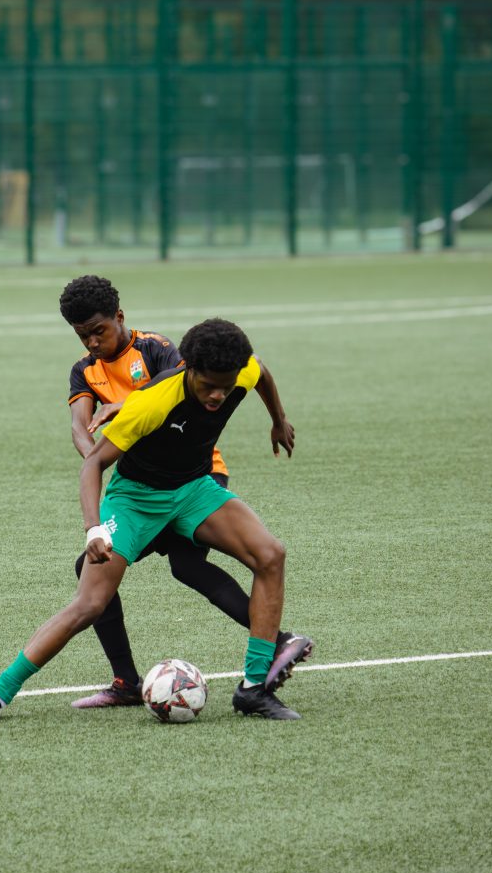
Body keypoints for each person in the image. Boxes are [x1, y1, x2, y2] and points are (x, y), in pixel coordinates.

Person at [0, 317, 312, 723]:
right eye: (208, 386)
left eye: (226, 384)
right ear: (189, 369)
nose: (218, 395)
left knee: (270, 555)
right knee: (90, 603)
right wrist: (94, 528)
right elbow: (93, 463)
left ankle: (254, 688)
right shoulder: (153, 402)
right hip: (135, 500)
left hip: (193, 490)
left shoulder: (240, 370)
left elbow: (262, 374)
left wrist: (278, 418)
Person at [58, 274, 311, 708]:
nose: (93, 343)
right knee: (107, 567)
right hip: (143, 480)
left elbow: (180, 383)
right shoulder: (84, 371)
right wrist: (100, 451)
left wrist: (278, 417)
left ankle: (272, 644)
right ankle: (126, 682)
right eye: (83, 336)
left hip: (197, 474)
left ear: (119, 317)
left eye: (98, 331)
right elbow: (83, 434)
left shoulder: (155, 348)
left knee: (185, 564)